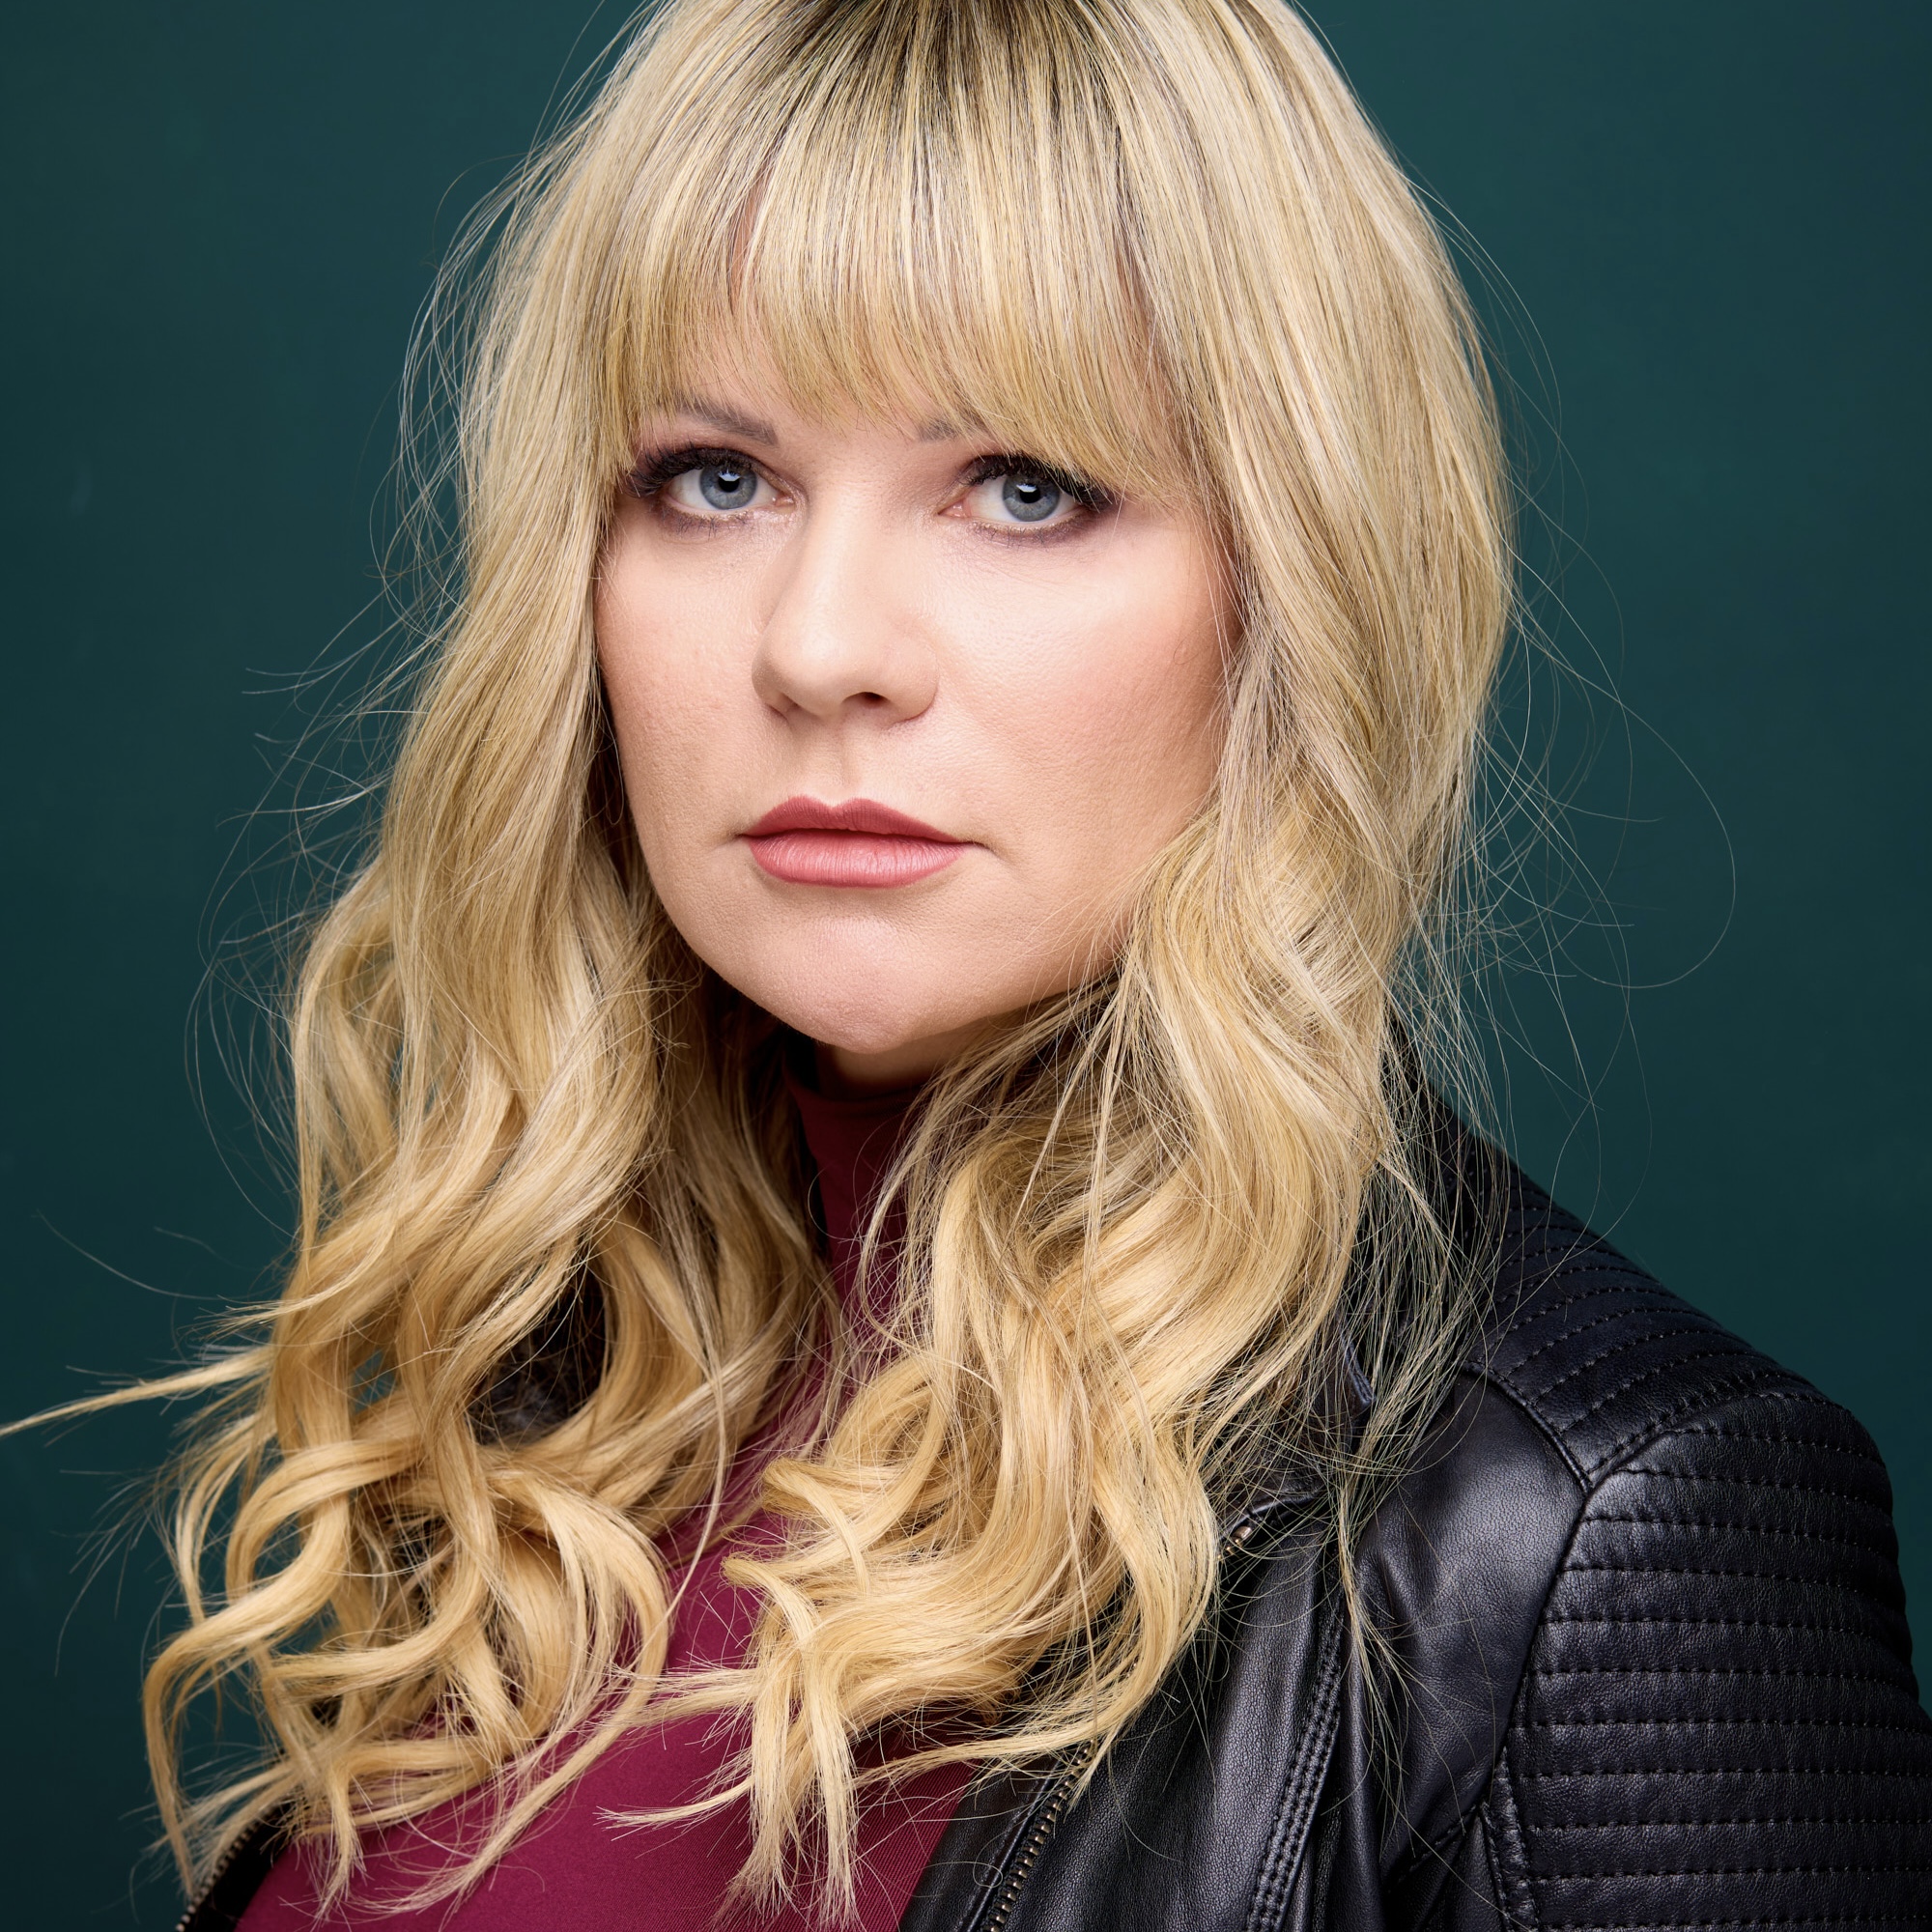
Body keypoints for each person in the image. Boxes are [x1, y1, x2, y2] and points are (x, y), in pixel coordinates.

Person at [94, 1, 1925, 1926]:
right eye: (715, 478)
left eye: (1025, 486)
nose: (819, 646)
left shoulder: (1598, 1529)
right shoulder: (552, 1395)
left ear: (1295, 586)